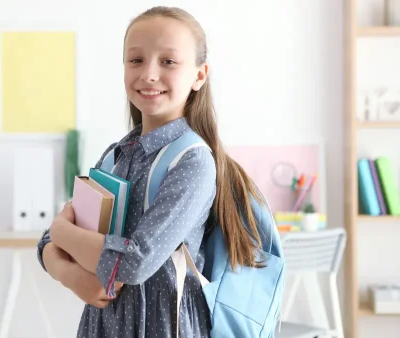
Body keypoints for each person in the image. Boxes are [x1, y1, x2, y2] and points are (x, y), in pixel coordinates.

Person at [36, 6, 268, 338]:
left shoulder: (193, 162)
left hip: (161, 327)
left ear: (199, 75)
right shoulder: (115, 156)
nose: (148, 74)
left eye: (168, 62)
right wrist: (74, 277)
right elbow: (46, 243)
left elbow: (135, 263)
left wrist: (63, 232)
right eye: (136, 60)